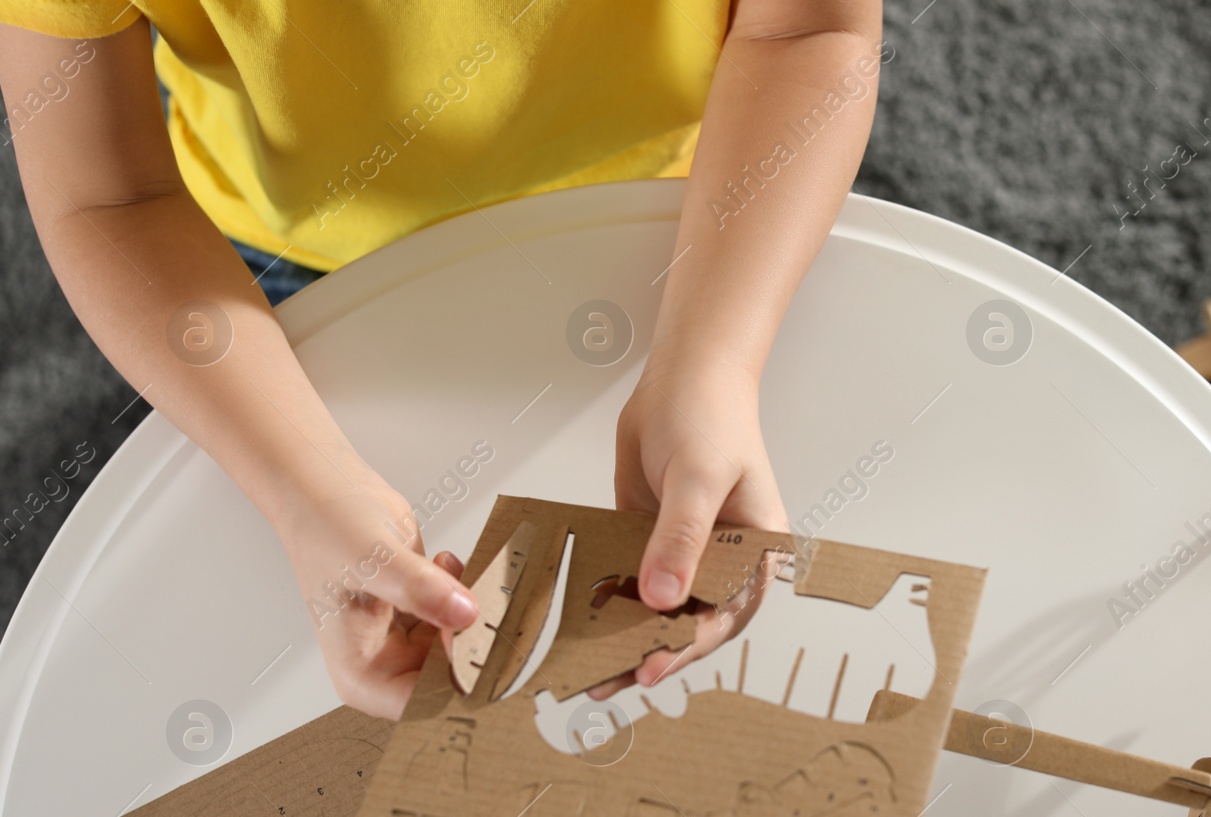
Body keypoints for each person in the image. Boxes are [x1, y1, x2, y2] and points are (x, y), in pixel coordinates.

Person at [0, 1, 885, 717]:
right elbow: (110, 196)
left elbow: (808, 30)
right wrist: (304, 489)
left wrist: (712, 361)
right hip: (279, 258)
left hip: (680, 210)